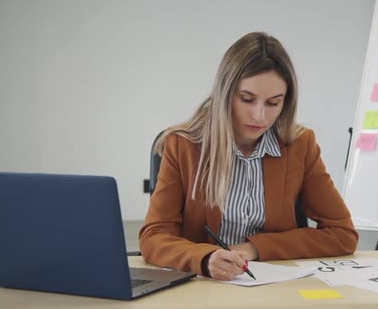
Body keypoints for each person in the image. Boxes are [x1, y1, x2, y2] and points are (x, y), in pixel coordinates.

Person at [139, 32, 358, 281]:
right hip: (203, 288)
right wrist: (205, 258)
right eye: (247, 99)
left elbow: (342, 234)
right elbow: (154, 237)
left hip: (274, 288)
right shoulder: (182, 144)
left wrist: (255, 248)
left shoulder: (300, 145)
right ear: (225, 93)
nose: (259, 116)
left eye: (273, 103)